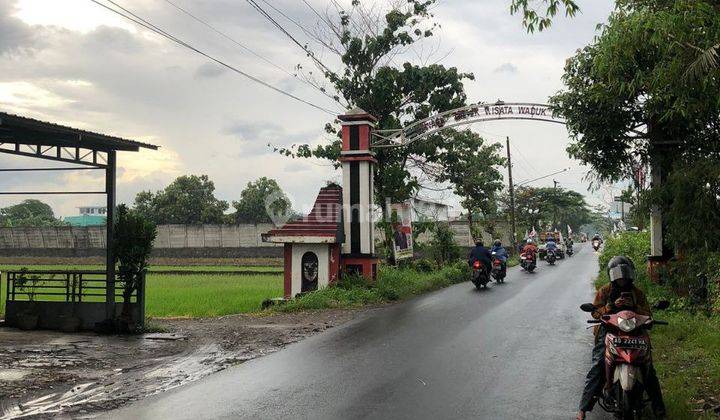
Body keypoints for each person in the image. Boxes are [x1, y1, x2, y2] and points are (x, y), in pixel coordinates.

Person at [577, 256, 666, 420]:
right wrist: (611, 306)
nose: (622, 278)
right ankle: (583, 409)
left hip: (635, 332)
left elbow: (648, 314)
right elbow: (595, 312)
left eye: (625, 274)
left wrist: (634, 305)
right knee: (598, 365)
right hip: (609, 331)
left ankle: (660, 411)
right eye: (618, 275)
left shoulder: (637, 293)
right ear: (612, 275)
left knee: (648, 369)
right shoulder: (605, 291)